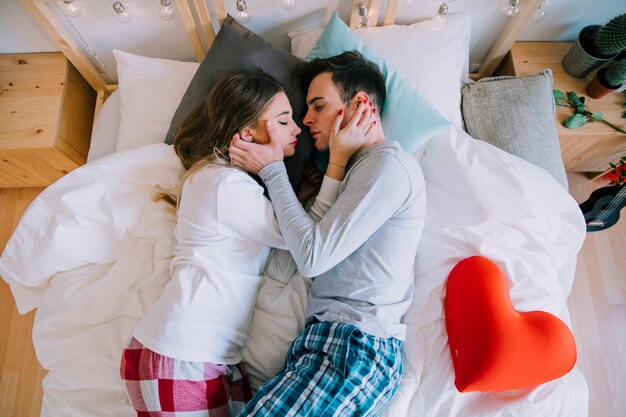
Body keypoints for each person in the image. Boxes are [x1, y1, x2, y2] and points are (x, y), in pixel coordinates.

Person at [119, 70, 372, 417]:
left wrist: (296, 195)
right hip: (183, 356)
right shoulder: (225, 186)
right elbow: (306, 242)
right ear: (248, 133)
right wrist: (335, 169)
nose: (297, 129)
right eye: (284, 121)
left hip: (200, 357)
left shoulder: (221, 182)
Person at [228, 51, 427, 417]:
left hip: (353, 346)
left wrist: (273, 170)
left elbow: (312, 256)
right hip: (327, 345)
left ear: (361, 104)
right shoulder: (357, 172)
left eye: (317, 106)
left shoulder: (388, 166)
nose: (305, 121)